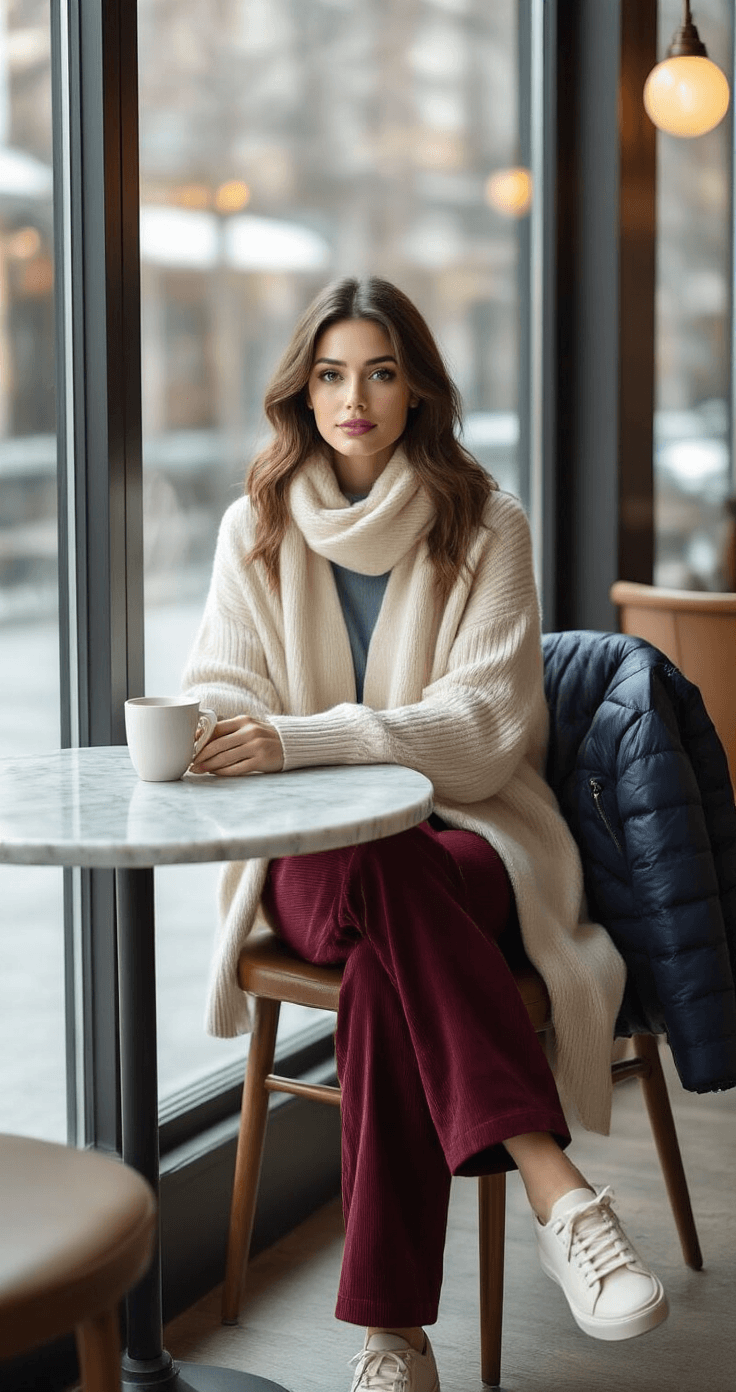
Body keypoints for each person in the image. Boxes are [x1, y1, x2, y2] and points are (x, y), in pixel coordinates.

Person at [181, 277, 668, 1392]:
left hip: (474, 851)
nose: (354, 397)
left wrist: (298, 741)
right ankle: (558, 1193)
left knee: (382, 949)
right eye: (331, 372)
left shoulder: (484, 521)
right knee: (372, 867)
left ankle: (393, 1340)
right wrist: (248, 739)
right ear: (302, 389)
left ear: (417, 392)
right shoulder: (253, 525)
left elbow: (486, 734)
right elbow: (215, 700)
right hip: (316, 863)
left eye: (381, 372)